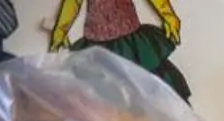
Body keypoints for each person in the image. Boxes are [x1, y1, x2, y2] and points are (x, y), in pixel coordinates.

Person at [46, 0, 190, 98]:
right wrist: (60, 29)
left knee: (148, 91)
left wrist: (169, 17)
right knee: (102, 99)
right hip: (97, 45)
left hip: (130, 44)